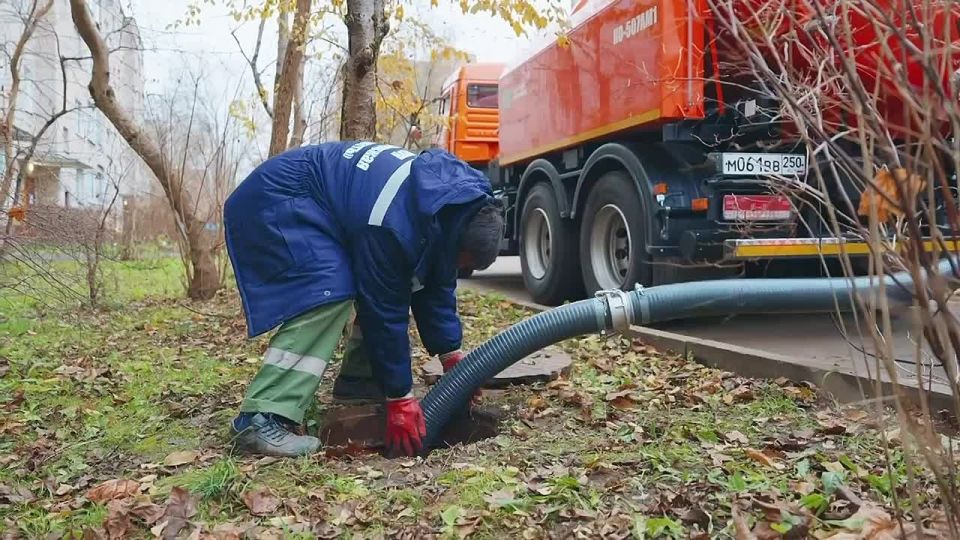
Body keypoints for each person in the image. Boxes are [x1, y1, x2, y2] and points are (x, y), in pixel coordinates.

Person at [223, 141, 504, 458]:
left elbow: (434, 284)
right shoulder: (391, 221)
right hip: (278, 200)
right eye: (459, 261)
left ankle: (358, 385)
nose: (457, 268)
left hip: (315, 203)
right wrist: (400, 398)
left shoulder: (451, 208)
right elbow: (383, 308)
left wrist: (450, 352)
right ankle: (260, 418)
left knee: (373, 284)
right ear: (455, 239)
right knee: (327, 292)